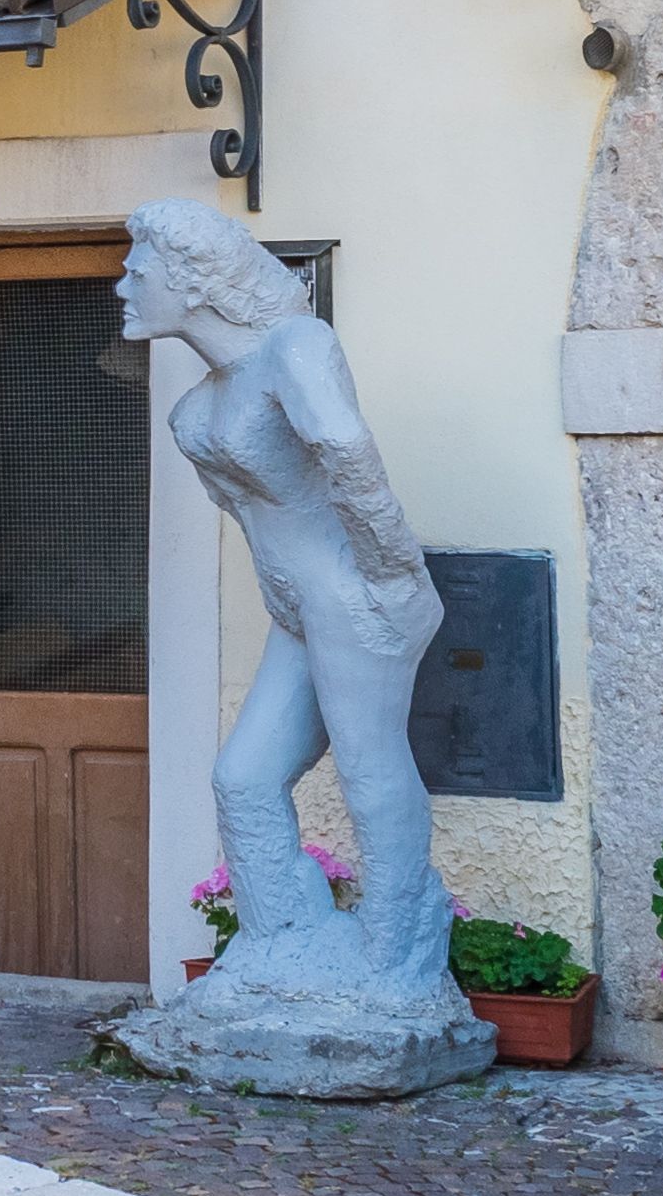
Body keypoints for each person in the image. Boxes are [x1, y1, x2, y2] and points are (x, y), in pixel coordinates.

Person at [115, 195, 455, 1021]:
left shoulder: (297, 348)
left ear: (194, 282)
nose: (122, 281)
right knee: (242, 777)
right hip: (298, 607)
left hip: (353, 593)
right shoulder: (199, 401)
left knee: (371, 771)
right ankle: (278, 937)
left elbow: (348, 454)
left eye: (140, 267)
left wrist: (390, 575)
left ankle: (397, 954)